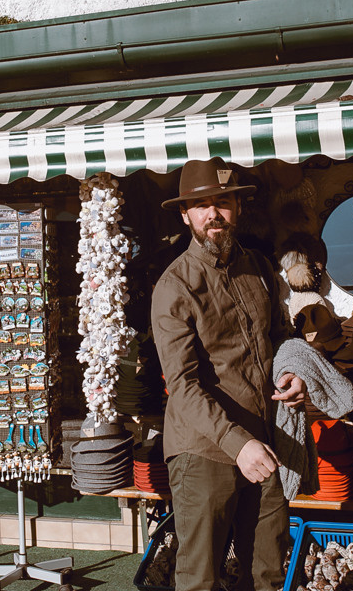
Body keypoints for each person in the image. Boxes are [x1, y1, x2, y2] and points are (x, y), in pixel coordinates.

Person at [151, 157, 308, 591]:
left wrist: (293, 373)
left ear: (238, 208)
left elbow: (281, 337)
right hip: (205, 451)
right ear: (186, 215)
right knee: (200, 577)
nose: (213, 213)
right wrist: (238, 444)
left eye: (222, 202)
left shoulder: (257, 267)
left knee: (268, 570)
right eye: (201, 205)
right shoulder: (175, 285)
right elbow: (181, 386)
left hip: (264, 440)